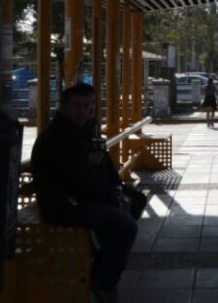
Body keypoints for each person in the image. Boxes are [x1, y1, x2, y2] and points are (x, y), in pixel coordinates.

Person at [31, 84, 146, 303]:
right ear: (62, 107)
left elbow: (104, 167)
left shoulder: (84, 130)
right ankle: (103, 282)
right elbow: (76, 181)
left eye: (88, 105)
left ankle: (103, 257)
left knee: (135, 201)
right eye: (77, 105)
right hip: (64, 204)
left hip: (82, 197)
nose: (83, 110)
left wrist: (116, 188)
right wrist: (96, 175)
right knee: (125, 226)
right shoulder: (57, 137)